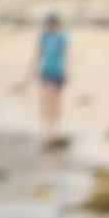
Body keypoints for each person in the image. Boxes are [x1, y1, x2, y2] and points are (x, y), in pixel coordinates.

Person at [31, 12, 68, 145]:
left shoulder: (62, 36)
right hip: (45, 70)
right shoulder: (43, 36)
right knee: (45, 98)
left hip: (57, 70)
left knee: (56, 100)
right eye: (49, 21)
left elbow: (66, 53)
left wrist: (66, 70)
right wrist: (33, 68)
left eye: (53, 21)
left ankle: (56, 127)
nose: (51, 24)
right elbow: (38, 53)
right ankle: (46, 127)